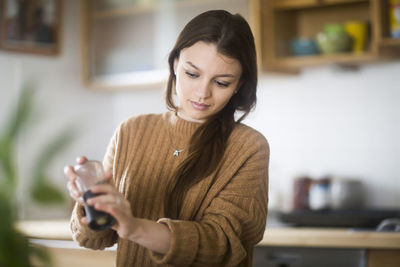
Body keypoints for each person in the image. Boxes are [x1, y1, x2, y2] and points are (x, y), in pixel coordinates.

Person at [64, 9, 269, 267]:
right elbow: (95, 239)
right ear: (174, 64)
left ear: (239, 84)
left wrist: (136, 228)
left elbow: (224, 245)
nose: (202, 93)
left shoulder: (248, 147)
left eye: (222, 82)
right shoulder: (131, 131)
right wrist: (91, 203)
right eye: (192, 74)